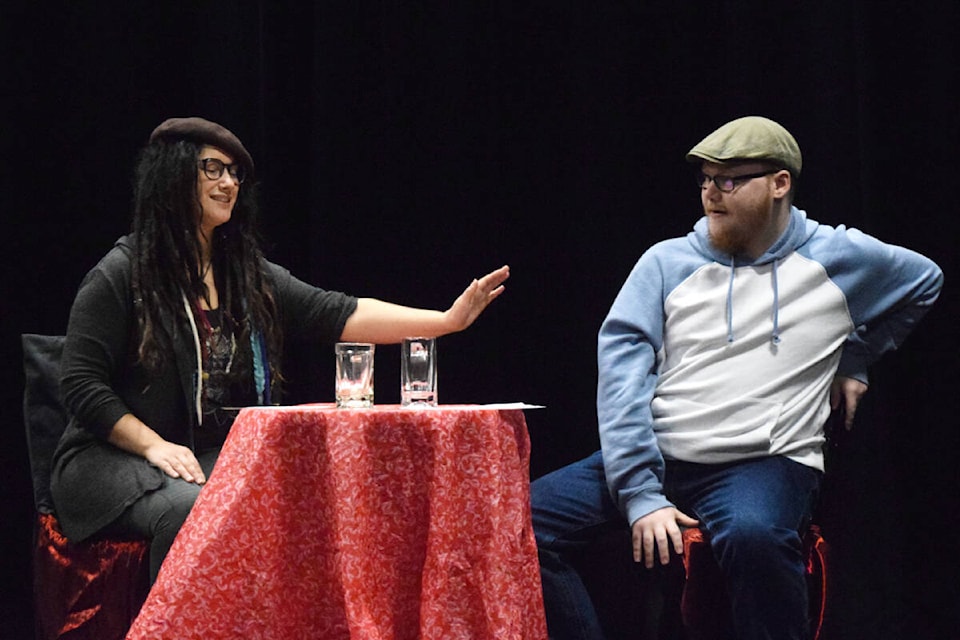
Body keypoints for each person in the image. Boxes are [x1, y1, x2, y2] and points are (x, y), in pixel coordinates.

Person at [531, 115, 943, 640]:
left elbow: (924, 282)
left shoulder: (836, 259)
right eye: (705, 180)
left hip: (763, 462)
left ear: (779, 184)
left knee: (755, 539)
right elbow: (621, 378)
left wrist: (854, 360)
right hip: (662, 453)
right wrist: (639, 491)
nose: (711, 194)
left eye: (728, 180)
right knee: (514, 525)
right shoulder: (666, 262)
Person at [49, 116, 510, 583]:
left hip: (194, 454)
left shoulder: (242, 273)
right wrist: (153, 446)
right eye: (213, 168)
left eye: (235, 173)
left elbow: (338, 313)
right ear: (173, 173)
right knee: (190, 510)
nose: (229, 182)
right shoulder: (121, 274)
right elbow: (81, 385)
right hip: (108, 461)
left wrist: (445, 322)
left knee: (296, 495)